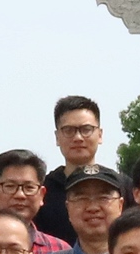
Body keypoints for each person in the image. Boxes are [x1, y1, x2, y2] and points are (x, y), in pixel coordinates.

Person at [34, 95, 103, 244]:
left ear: (100, 135)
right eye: (69, 130)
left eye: (86, 129)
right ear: (57, 137)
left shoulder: (121, 186)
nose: (78, 137)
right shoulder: (41, 191)